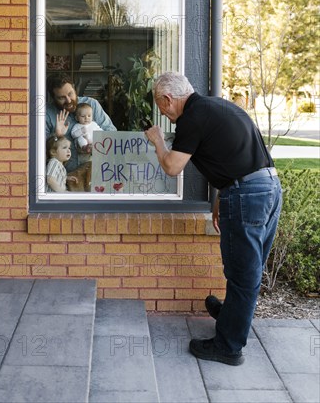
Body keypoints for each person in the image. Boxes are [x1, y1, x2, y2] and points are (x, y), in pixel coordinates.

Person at [144, 72, 282, 366]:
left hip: (247, 195)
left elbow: (171, 167)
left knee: (244, 273)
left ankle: (228, 346)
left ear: (169, 99)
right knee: (247, 266)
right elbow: (232, 157)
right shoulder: (218, 106)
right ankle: (232, 315)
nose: (165, 116)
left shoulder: (191, 118)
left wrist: (157, 140)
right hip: (268, 187)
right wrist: (222, 196)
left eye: (162, 107)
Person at [46, 73, 116, 172]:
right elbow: (41, 151)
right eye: (61, 97)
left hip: (96, 172)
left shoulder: (92, 104)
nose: (68, 100)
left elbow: (111, 132)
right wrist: (56, 136)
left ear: (74, 88)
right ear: (53, 98)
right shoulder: (47, 113)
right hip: (64, 177)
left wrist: (97, 144)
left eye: (70, 94)